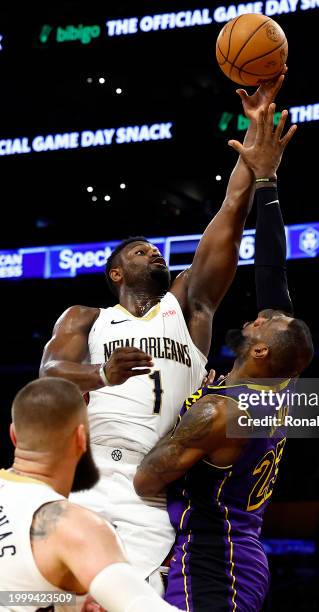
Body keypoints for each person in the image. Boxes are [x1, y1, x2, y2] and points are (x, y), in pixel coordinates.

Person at [38, 75, 288, 591]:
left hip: (157, 495)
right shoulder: (85, 318)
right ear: (115, 273)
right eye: (137, 251)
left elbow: (229, 215)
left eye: (154, 248)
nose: (152, 251)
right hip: (89, 482)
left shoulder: (189, 308)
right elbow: (47, 379)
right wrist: (99, 372)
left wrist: (254, 144)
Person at [134, 103, 314, 612]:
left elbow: (148, 476)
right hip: (232, 552)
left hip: (215, 561)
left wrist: (172, 397)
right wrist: (267, 183)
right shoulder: (273, 387)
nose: (260, 314)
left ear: (260, 350)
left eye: (266, 322)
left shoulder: (222, 409)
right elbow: (273, 274)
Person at [0, 377, 183, 612]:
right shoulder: (74, 527)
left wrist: (69, 601)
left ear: (14, 435)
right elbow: (141, 606)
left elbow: (10, 595)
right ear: (81, 438)